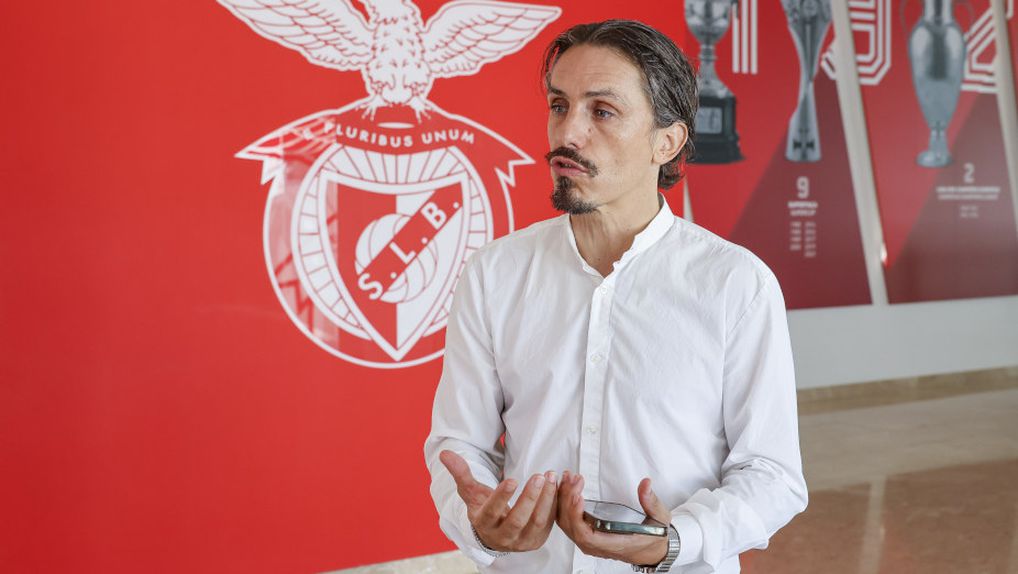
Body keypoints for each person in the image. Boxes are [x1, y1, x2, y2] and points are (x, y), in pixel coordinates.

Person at [424, 19, 807, 574]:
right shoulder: (494, 273)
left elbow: (772, 474)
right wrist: (478, 522)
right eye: (560, 105)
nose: (567, 134)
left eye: (601, 111)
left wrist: (674, 541)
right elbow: (460, 442)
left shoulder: (735, 285)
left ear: (667, 141)